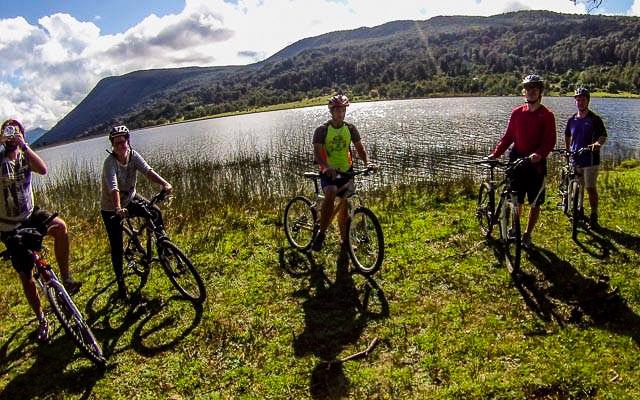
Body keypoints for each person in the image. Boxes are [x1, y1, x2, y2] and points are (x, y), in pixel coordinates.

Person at [0, 118, 81, 343]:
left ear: (22, 135)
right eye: (8, 132)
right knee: (26, 275)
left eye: (16, 132)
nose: (12, 136)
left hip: (30, 215)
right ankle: (42, 319)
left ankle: (65, 278)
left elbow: (43, 170)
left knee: (60, 227)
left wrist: (24, 146)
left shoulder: (25, 155)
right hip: (8, 225)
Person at [101, 125, 172, 301]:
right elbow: (114, 188)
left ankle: (164, 248)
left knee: (155, 212)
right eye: (116, 143)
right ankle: (121, 286)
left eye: (123, 141)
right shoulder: (110, 163)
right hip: (111, 208)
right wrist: (118, 208)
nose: (120, 145)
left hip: (131, 198)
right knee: (117, 247)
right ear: (112, 145)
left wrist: (164, 184)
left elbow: (148, 171)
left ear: (128, 141)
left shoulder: (133, 155)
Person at [488, 75, 557, 247]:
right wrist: (495, 154)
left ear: (540, 92)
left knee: (535, 202)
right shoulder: (517, 113)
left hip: (536, 165)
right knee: (516, 199)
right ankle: (515, 228)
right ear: (524, 92)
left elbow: (550, 141)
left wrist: (540, 154)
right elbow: (508, 137)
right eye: (528, 89)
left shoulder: (547, 115)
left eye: (535, 88)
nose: (531, 92)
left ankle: (527, 234)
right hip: (517, 161)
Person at [311, 94, 370, 251]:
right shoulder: (322, 130)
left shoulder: (350, 128)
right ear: (331, 111)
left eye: (343, 110)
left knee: (344, 207)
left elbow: (360, 148)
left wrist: (367, 163)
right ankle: (321, 234)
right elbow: (317, 154)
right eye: (337, 110)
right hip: (328, 172)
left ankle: (344, 241)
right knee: (331, 193)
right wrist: (326, 167)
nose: (341, 113)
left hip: (346, 171)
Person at [564, 87, 607, 228]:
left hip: (590, 160)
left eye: (583, 100)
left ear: (588, 101)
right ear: (575, 101)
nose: (580, 102)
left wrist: (597, 144)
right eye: (578, 100)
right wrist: (568, 150)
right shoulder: (572, 120)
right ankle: (579, 209)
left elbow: (602, 136)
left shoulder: (595, 119)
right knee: (577, 186)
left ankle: (594, 215)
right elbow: (567, 135)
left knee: (590, 187)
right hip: (576, 159)